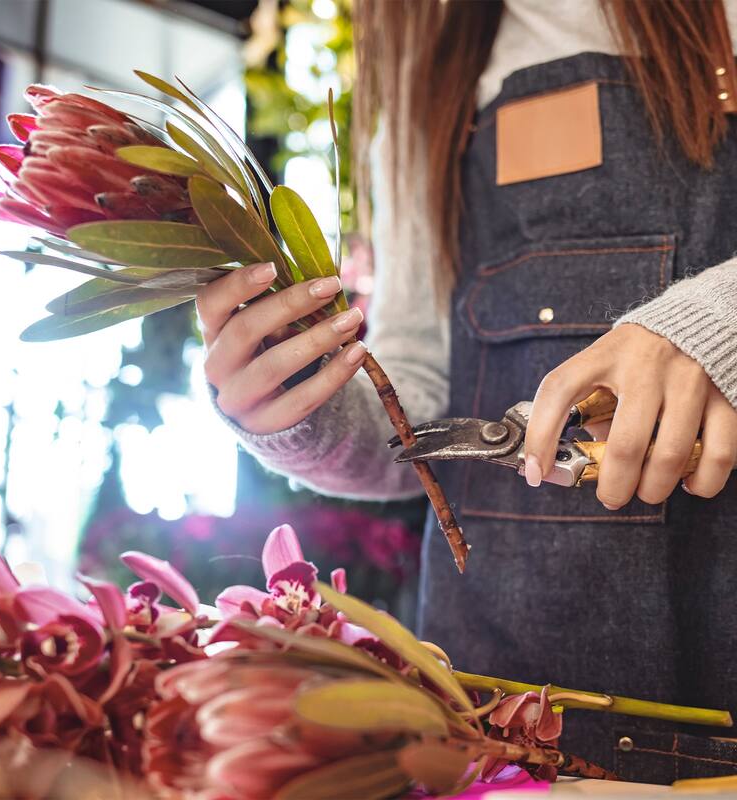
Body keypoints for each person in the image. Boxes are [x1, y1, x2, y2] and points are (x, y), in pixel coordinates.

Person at [196, 0, 737, 783]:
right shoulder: (427, 69)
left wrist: (714, 327)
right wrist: (296, 410)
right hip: (504, 705)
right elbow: (419, 392)